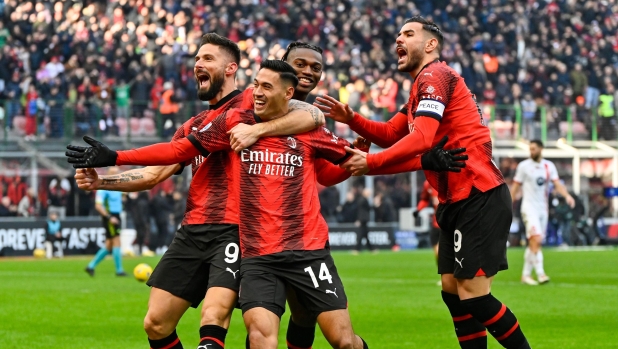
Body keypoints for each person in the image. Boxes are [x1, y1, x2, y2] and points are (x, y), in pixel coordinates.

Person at [65, 60, 465, 349]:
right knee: (258, 336)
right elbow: (178, 150)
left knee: (341, 339)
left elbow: (355, 163)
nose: (256, 91)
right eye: (254, 84)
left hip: (306, 250)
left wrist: (421, 160)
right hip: (257, 254)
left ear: (287, 93)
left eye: (265, 86)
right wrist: (114, 160)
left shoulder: (307, 129)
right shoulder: (229, 127)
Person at [71, 33, 331, 349]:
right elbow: (154, 174)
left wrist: (258, 129)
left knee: (213, 316)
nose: (198, 64)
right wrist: (103, 180)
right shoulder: (193, 125)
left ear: (231, 67)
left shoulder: (253, 99)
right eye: (196, 59)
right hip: (192, 231)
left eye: (207, 58)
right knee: (156, 323)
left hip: (237, 230)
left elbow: (312, 114)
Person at [313, 16, 531, 349]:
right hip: (455, 199)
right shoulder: (422, 87)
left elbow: (422, 138)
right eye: (398, 34)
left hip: (478, 193)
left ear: (430, 45)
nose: (399, 39)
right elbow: (389, 134)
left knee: (472, 296)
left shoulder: (435, 75)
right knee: (451, 291)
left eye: (409, 34)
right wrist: (351, 119)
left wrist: (369, 162)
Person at [510, 140, 575, 285]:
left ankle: (525, 275)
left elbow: (557, 184)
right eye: (530, 149)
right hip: (529, 208)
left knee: (534, 242)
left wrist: (567, 196)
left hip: (542, 210)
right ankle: (540, 273)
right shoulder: (524, 166)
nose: (531, 152)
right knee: (537, 239)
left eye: (533, 149)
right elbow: (515, 187)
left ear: (541, 149)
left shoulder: (549, 166)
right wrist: (508, 204)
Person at [85, 166, 126, 277]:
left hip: (116, 215)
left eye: (117, 173)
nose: (116, 175)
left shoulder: (117, 186)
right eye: (113, 173)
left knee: (109, 245)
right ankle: (119, 270)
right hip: (110, 217)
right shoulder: (103, 187)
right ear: (108, 173)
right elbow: (98, 206)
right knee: (117, 241)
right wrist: (109, 217)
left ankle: (91, 266)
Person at [416, 180, 441, 285]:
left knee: (445, 250)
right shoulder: (427, 184)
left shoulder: (449, 179)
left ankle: (451, 275)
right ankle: (444, 274)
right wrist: (418, 210)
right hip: (436, 222)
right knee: (436, 250)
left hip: (450, 221)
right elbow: (425, 199)